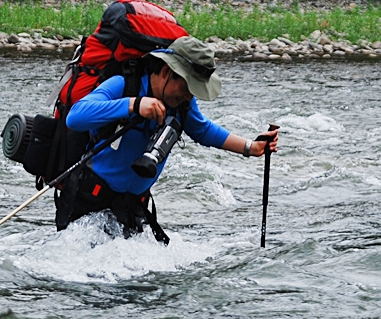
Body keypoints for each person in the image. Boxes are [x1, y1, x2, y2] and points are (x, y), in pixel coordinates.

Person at [57, 36, 279, 243]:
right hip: (88, 200)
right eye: (186, 87)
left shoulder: (181, 104)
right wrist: (134, 105)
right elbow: (77, 117)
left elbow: (203, 131)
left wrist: (251, 147)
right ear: (166, 71)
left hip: (132, 206)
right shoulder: (124, 85)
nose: (188, 97)